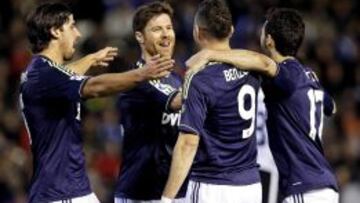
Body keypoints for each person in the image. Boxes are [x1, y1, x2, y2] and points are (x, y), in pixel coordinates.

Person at [21, 3, 173, 203]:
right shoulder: (45, 74)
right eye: (72, 26)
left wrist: (91, 59)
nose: (77, 34)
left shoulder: (41, 71)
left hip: (68, 189)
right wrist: (142, 74)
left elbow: (67, 74)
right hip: (61, 193)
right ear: (56, 31)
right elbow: (95, 87)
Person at [185, 8, 339, 203]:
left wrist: (210, 54)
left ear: (269, 40)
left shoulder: (287, 75)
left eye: (263, 29)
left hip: (304, 185)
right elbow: (331, 107)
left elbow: (264, 64)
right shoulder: (307, 76)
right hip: (321, 182)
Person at [161, 0, 265, 202]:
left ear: (197, 32)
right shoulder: (253, 68)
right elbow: (263, 61)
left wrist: (166, 198)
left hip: (213, 185)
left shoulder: (200, 78)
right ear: (232, 30)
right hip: (251, 186)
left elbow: (188, 144)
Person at [114, 2, 185, 203]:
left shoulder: (175, 79)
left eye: (169, 28)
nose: (165, 34)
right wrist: (212, 79)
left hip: (172, 192)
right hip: (141, 193)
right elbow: (177, 102)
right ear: (140, 37)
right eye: (156, 29)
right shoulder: (137, 79)